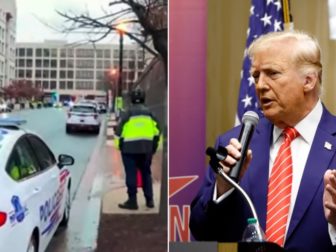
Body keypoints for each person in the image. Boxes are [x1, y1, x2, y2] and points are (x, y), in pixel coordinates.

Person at [189, 30, 336, 251]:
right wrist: (223, 187)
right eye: (256, 76)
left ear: (308, 80)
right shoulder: (234, 143)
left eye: (272, 74)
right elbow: (201, 232)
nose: (260, 85)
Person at [115, 87, 160, 210]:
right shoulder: (150, 113)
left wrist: (119, 146)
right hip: (146, 149)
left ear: (132, 99)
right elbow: (157, 132)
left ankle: (132, 201)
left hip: (129, 150)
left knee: (131, 175)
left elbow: (118, 132)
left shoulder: (127, 113)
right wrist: (153, 147)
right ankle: (149, 200)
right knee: (146, 174)